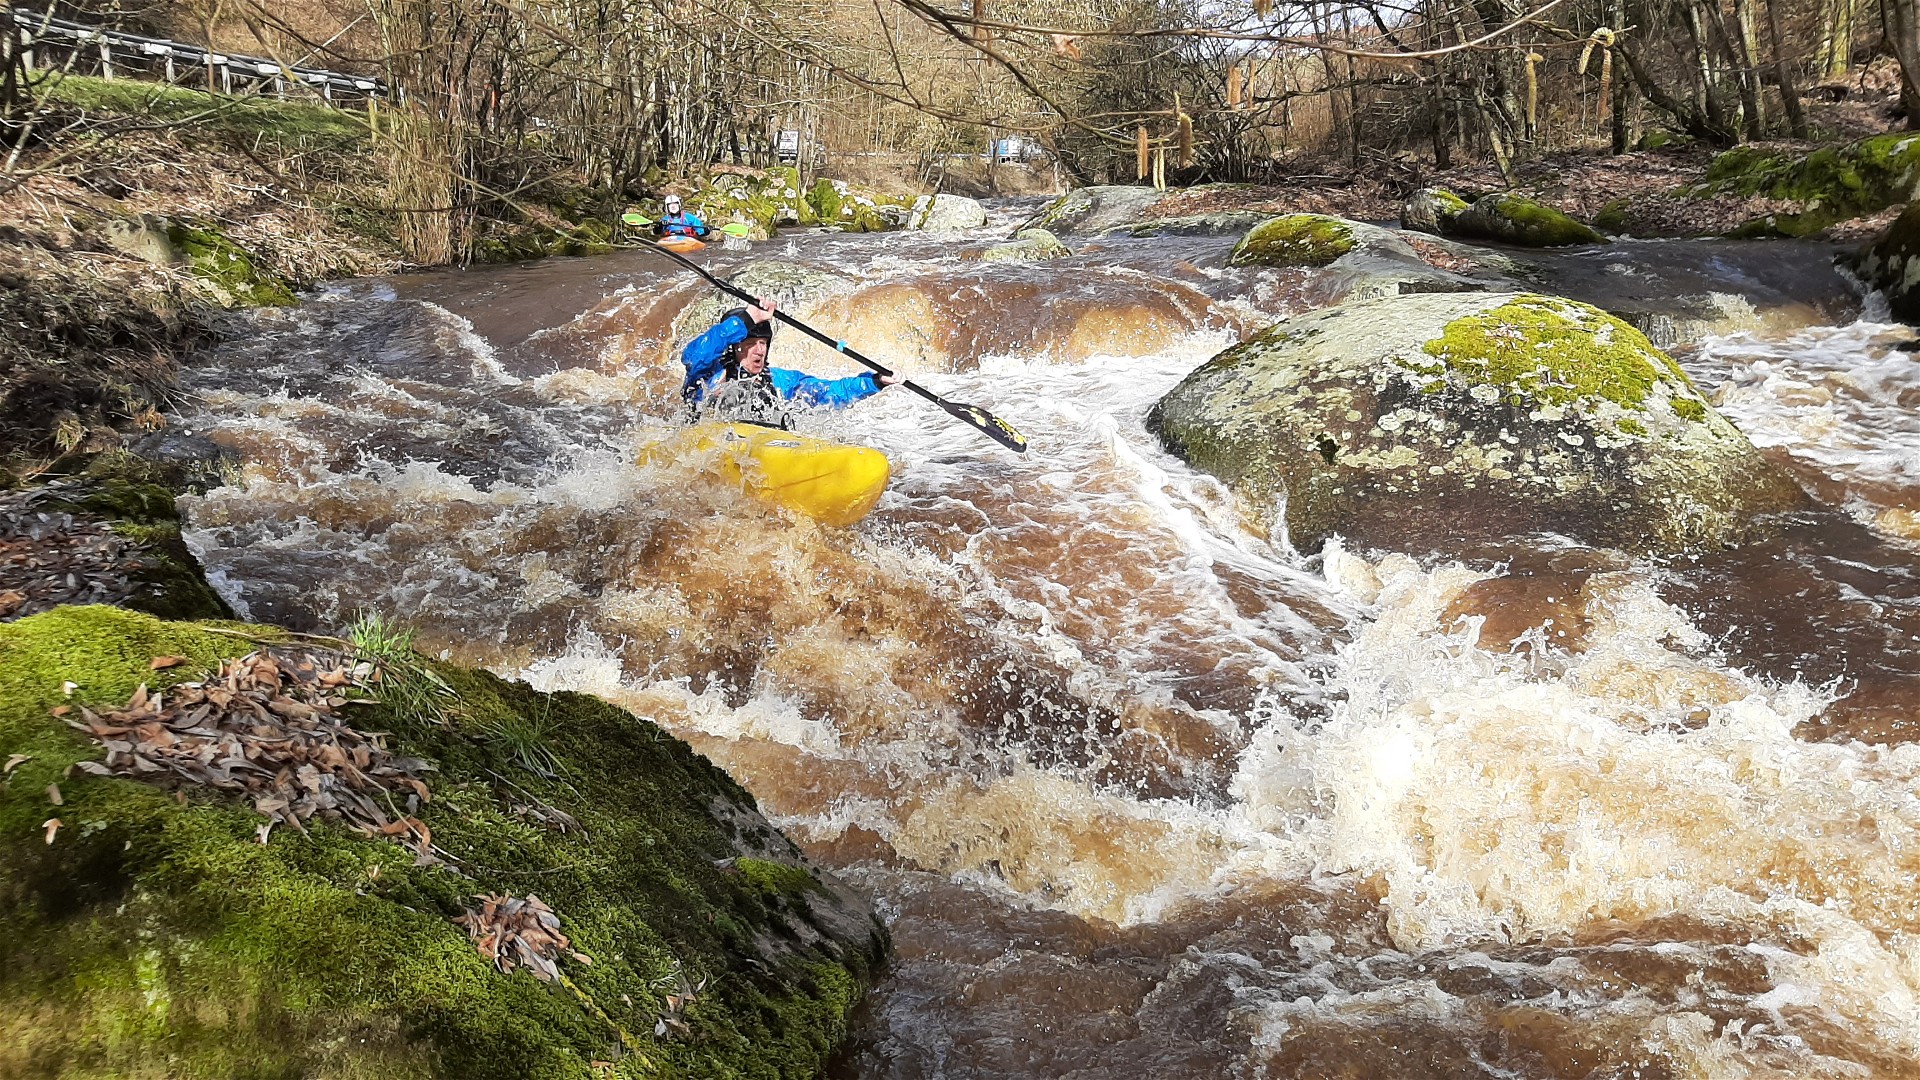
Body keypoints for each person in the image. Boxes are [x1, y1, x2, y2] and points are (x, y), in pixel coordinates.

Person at [680, 301, 899, 430]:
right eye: (750, 344)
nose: (759, 350)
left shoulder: (778, 380)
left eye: (763, 343)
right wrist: (746, 320)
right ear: (733, 347)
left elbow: (826, 392)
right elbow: (696, 354)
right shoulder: (707, 376)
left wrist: (875, 381)